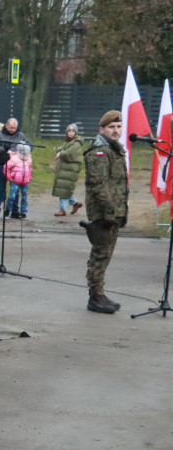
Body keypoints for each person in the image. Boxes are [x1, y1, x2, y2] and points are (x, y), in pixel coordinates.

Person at [82, 110, 128, 314]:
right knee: (100, 253)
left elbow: (118, 184)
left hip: (114, 211)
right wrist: (110, 212)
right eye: (111, 127)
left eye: (118, 127)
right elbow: (98, 185)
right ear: (102, 129)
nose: (116, 131)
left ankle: (100, 292)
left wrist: (122, 211)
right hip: (103, 213)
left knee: (106, 253)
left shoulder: (114, 149)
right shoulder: (99, 152)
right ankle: (95, 296)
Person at [0, 118, 30, 218]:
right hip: (1, 164)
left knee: (15, 190)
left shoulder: (21, 135)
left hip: (16, 167)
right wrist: (5, 151)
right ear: (6, 125)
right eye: (11, 127)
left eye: (15, 128)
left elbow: (29, 145)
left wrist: (21, 151)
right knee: (0, 188)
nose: (12, 129)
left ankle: (14, 211)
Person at [52, 123, 84, 216]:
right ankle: (75, 203)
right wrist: (59, 150)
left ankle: (62, 210)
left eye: (72, 131)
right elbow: (62, 148)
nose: (70, 133)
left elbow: (70, 153)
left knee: (64, 189)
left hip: (70, 170)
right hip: (65, 169)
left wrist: (61, 153)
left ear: (75, 132)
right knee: (64, 189)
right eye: (69, 131)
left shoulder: (76, 143)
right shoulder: (68, 142)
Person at [4, 143, 33, 220]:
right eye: (27, 152)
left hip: (25, 182)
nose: (29, 153)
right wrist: (9, 177)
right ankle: (7, 211)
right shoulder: (14, 159)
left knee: (24, 197)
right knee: (12, 197)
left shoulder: (29, 159)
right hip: (15, 181)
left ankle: (23, 213)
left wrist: (29, 177)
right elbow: (6, 167)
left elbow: (30, 168)